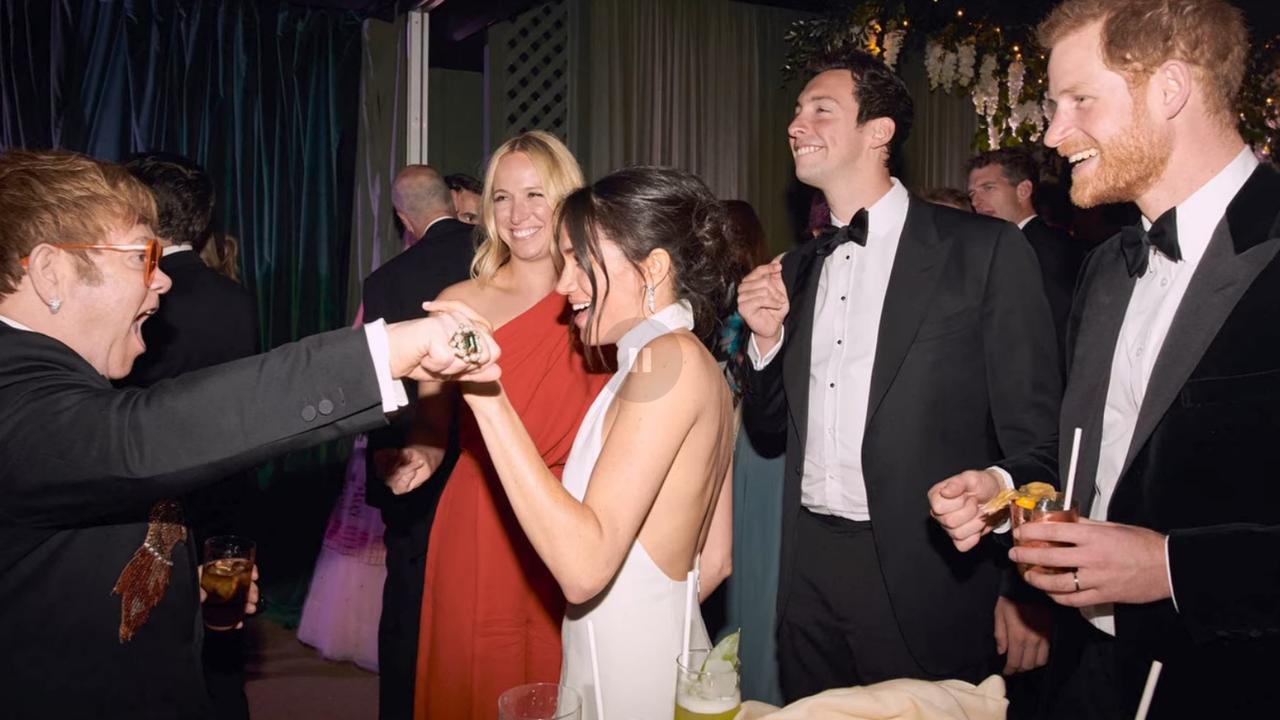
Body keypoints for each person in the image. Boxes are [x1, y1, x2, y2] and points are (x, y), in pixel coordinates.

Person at [0, 148, 500, 719]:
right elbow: (142, 438)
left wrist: (183, 593)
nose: (162, 280)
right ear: (50, 272)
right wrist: (391, 350)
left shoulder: (61, 375)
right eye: (142, 258)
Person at [928, 0, 1280, 717]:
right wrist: (1004, 491)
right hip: (1080, 673)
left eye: (1079, 100)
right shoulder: (1108, 268)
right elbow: (1095, 455)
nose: (1054, 134)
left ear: (1171, 88)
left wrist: (1171, 568)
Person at [737, 50, 1062, 703]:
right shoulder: (798, 269)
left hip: (929, 574)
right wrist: (766, 340)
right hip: (809, 575)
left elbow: (1039, 440)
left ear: (878, 131)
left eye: (820, 109)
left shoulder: (983, 251)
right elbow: (770, 432)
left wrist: (1019, 588)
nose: (796, 125)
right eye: (796, 113)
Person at [415, 165, 742, 719]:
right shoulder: (680, 359)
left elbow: (585, 566)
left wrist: (486, 393)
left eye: (581, 261)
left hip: (626, 683)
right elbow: (715, 560)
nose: (565, 285)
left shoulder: (667, 361)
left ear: (653, 268)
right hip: (643, 661)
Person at [377, 131, 601, 720]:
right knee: (477, 677)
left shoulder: (602, 302)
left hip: (575, 515)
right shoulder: (458, 301)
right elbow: (433, 418)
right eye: (501, 197)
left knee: (565, 675)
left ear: (566, 199)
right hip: (478, 517)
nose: (518, 214)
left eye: (535, 194)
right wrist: (420, 455)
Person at [118, 151, 261, 720]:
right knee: (222, 649)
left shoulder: (135, 296)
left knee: (156, 639)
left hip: (151, 500)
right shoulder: (236, 298)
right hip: (225, 487)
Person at [353, 163, 476, 719]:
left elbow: (385, 389)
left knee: (408, 590)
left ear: (403, 218)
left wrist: (383, 462)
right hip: (488, 453)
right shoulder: (494, 260)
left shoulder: (387, 281)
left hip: (415, 457)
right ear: (453, 200)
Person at [968, 148, 1086, 357]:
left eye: (988, 188)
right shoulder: (1001, 246)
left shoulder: (1049, 248)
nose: (976, 202)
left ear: (1023, 190)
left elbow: (1057, 334)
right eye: (972, 193)